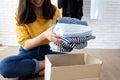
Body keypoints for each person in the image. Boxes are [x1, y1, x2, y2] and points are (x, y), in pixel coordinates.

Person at [0, 0, 64, 78]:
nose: (38, 1)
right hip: (28, 53)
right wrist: (44, 35)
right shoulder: (19, 13)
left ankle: (33, 71)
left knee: (72, 59)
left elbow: (60, 32)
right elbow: (26, 45)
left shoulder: (54, 10)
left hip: (46, 51)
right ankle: (45, 65)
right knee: (5, 66)